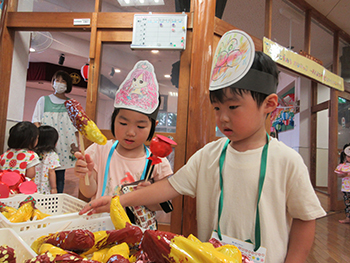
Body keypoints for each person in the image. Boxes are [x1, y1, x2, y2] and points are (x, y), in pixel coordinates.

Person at [80, 30, 326, 263]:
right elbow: (168, 186)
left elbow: (306, 218)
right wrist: (118, 200)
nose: (223, 117)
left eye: (233, 107)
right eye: (217, 108)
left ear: (269, 104)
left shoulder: (286, 160)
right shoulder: (210, 154)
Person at [75, 60, 173, 229]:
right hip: (100, 228)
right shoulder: (100, 150)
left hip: (137, 234)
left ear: (152, 126)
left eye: (141, 126)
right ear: (114, 120)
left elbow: (163, 205)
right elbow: (89, 192)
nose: (131, 132)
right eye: (123, 123)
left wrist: (149, 195)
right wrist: (87, 175)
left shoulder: (157, 162)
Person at [32, 70, 79, 193]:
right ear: (52, 83)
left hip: (64, 144)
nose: (59, 83)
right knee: (43, 173)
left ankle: (57, 200)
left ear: (68, 85)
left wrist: (76, 146)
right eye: (57, 80)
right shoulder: (43, 100)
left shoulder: (71, 104)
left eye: (63, 81)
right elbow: (36, 121)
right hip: (46, 144)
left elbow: (76, 127)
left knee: (60, 176)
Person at [34, 125, 60, 194]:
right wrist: (54, 188)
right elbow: (51, 172)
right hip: (44, 187)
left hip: (31, 185)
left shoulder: (32, 153)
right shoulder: (52, 155)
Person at [334, 143, 350, 224]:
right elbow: (339, 174)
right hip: (346, 189)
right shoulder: (342, 165)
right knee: (347, 203)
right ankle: (348, 218)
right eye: (348, 156)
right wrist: (343, 174)